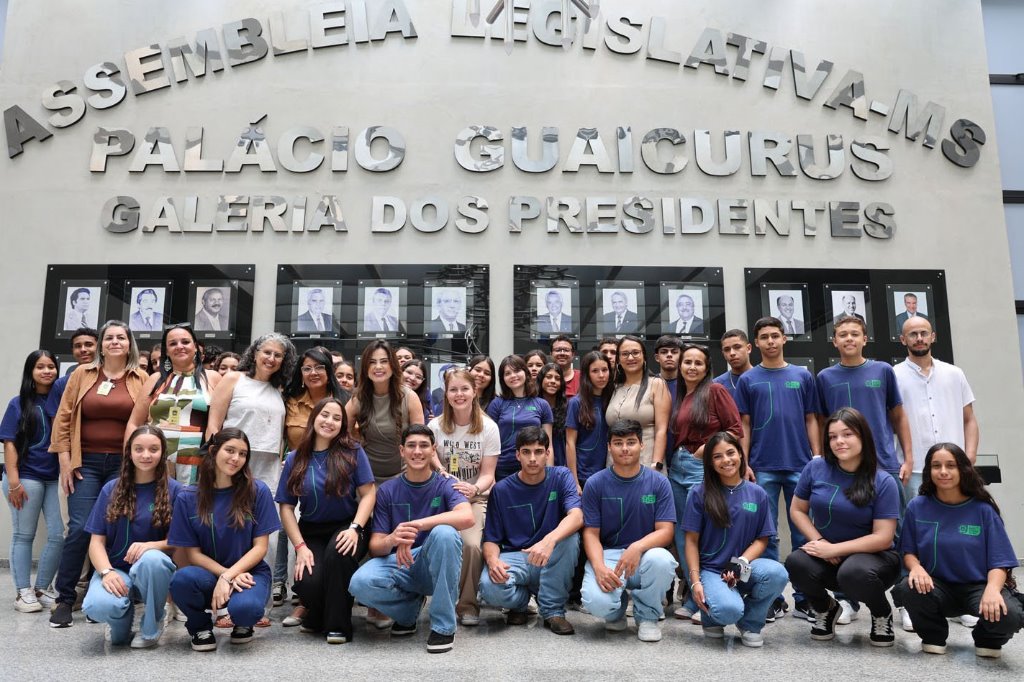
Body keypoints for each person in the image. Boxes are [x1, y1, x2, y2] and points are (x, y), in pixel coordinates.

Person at [49, 320, 148, 628]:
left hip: (123, 464)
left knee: (115, 528)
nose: (115, 342)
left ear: (129, 343)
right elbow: (64, 418)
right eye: (109, 338)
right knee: (79, 527)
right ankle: (64, 599)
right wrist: (65, 461)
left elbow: (146, 422)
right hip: (85, 463)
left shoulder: (141, 377)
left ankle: (101, 594)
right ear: (101, 344)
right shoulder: (81, 374)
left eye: (121, 337)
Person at [348, 425, 474, 654]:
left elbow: (467, 517)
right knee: (359, 583)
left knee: (445, 533)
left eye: (424, 445)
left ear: (433, 450)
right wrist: (393, 539)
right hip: (401, 563)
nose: (418, 451)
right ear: (402, 451)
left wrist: (418, 524)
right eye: (412, 446)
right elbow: (376, 547)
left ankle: (443, 626)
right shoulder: (387, 490)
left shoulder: (445, 484)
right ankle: (408, 611)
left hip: (434, 563)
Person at [785, 408, 901, 647]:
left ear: (862, 437)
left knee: (853, 572)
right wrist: (821, 542)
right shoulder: (815, 468)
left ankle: (881, 613)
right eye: (833, 436)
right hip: (830, 554)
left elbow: (884, 537)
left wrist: (836, 550)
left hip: (875, 559)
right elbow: (797, 510)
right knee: (796, 562)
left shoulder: (883, 481)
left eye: (847, 434)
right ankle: (825, 608)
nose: (839, 441)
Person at [897, 443, 1022, 658]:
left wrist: (993, 590)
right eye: (936, 466)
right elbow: (908, 551)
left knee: (1009, 614)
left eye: (950, 465)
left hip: (977, 587)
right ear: (929, 471)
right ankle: (933, 636)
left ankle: (987, 639)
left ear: (963, 469)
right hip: (936, 587)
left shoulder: (983, 510)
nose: (943, 471)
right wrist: (915, 567)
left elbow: (1000, 560)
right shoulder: (917, 506)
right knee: (908, 588)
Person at [734, 317, 820, 622]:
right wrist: (744, 462)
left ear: (784, 339)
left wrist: (817, 456)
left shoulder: (802, 376)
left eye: (775, 336)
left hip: (801, 465)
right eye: (764, 337)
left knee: (804, 535)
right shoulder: (748, 380)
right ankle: (772, 598)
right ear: (755, 344)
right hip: (762, 466)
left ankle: (805, 598)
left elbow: (812, 418)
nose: (770, 341)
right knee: (767, 536)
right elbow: (743, 424)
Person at [207, 332, 295, 625]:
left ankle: (260, 607)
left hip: (268, 468)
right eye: (266, 352)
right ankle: (222, 607)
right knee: (229, 534)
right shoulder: (233, 379)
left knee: (266, 539)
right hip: (233, 463)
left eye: (278, 355)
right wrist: (215, 465)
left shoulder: (279, 389)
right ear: (255, 352)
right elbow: (214, 425)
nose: (271, 358)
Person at [168, 429, 281, 650]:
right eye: (230, 450)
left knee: (246, 610)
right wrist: (224, 576)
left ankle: (243, 623)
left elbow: (261, 547)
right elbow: (193, 554)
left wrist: (229, 576)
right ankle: (200, 627)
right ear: (213, 450)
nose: (236, 458)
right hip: (208, 575)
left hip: (249, 574)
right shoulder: (188, 496)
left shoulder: (258, 491)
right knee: (181, 580)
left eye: (242, 454)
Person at [276, 398, 376, 644]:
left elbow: (369, 494)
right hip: (310, 531)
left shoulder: (353, 451)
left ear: (343, 425)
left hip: (348, 524)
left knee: (338, 554)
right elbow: (287, 508)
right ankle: (318, 614)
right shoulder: (295, 458)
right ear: (314, 418)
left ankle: (338, 626)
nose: (329, 422)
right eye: (325, 415)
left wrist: (355, 528)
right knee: (308, 580)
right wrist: (299, 547)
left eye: (337, 418)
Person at [682, 432, 788, 647]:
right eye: (717, 456)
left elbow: (762, 539)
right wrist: (695, 582)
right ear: (710, 463)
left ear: (740, 454)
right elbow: (691, 542)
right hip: (711, 570)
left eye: (731, 453)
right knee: (728, 610)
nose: (726, 460)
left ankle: (750, 622)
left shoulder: (757, 493)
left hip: (742, 566)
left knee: (777, 574)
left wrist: (741, 563)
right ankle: (713, 616)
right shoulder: (698, 493)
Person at [82, 425, 181, 648]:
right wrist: (106, 573)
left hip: (154, 574)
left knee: (152, 559)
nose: (146, 455)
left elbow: (182, 542)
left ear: (162, 453)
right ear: (129, 452)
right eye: (139, 449)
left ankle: (151, 624)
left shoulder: (176, 491)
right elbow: (96, 542)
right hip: (117, 571)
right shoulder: (111, 489)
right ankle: (120, 623)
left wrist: (151, 546)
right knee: (97, 606)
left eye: (153, 449)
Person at [580, 419, 677, 642]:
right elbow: (590, 534)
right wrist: (599, 567)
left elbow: (666, 531)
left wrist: (637, 546)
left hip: (646, 555)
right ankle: (615, 612)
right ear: (609, 447)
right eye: (618, 443)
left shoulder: (659, 483)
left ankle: (648, 616)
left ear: (642, 445)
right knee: (597, 603)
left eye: (631, 442)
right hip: (610, 555)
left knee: (662, 560)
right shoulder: (595, 483)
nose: (625, 448)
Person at [480, 426, 583, 634]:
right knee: (488, 587)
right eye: (526, 452)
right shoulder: (501, 490)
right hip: (516, 558)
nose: (533, 458)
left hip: (549, 557)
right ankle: (519, 604)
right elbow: (491, 538)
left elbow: (577, 516)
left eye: (538, 452)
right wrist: (493, 562)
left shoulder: (561, 476)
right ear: (518, 455)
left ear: (548, 453)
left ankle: (553, 611)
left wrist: (550, 540)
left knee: (570, 539)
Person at [668, 344, 742, 620]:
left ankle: (711, 596)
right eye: (687, 362)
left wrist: (705, 450)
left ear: (706, 367)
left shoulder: (715, 391)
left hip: (701, 467)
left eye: (698, 363)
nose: (692, 367)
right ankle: (693, 597)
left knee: (703, 533)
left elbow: (734, 429)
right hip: (676, 468)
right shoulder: (678, 394)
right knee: (681, 533)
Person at [278, 347, 348, 617]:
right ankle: (303, 599)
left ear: (329, 371)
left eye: (319, 367)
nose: (313, 373)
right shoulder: (291, 401)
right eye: (307, 368)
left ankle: (335, 595)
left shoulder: (344, 400)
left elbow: (352, 440)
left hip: (337, 478)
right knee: (294, 535)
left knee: (337, 549)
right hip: (299, 476)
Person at [427, 368, 499, 626]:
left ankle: (467, 603)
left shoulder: (488, 427)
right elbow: (428, 454)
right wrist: (441, 470)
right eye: (453, 389)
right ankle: (436, 598)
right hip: (443, 498)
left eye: (464, 389)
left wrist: (475, 489)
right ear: (446, 394)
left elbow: (489, 474)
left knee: (470, 545)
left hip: (475, 498)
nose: (459, 394)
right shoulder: (434, 426)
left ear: (474, 392)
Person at [2, 350, 63, 613]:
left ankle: (41, 588)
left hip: (54, 478)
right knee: (24, 535)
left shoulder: (62, 401)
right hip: (25, 476)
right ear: (31, 371)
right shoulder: (19, 403)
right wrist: (14, 481)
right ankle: (22, 592)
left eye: (51, 366)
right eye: (40, 367)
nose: (47, 371)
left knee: (60, 535)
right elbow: (9, 442)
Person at [894, 316, 979, 498]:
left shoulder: (954, 373)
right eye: (913, 334)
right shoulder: (893, 376)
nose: (919, 338)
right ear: (903, 340)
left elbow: (969, 419)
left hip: (954, 467)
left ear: (932, 336)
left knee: (956, 520)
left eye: (924, 333)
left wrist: (970, 456)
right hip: (914, 470)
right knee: (917, 524)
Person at [126, 323, 221, 486]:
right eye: (173, 343)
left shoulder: (213, 378)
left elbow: (218, 423)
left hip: (197, 460)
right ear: (167, 351)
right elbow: (134, 422)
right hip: (155, 458)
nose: (180, 347)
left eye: (185, 342)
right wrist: (128, 460)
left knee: (189, 507)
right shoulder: (155, 379)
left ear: (196, 347)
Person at [564, 351, 613, 607]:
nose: (601, 375)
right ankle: (574, 594)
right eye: (595, 371)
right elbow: (570, 443)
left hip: (608, 475)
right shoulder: (576, 402)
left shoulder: (613, 399)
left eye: (605, 370)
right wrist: (574, 480)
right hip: (583, 475)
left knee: (602, 533)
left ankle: (600, 585)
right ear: (586, 373)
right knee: (583, 534)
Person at [346, 340, 425, 487]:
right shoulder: (358, 399)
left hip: (404, 477)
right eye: (372, 362)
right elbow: (341, 431)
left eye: (384, 361)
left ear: (393, 365)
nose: (378, 367)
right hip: (366, 478)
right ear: (365, 367)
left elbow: (420, 441)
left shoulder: (409, 397)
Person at [605, 336, 670, 471]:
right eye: (625, 354)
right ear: (618, 359)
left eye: (635, 353)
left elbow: (661, 430)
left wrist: (656, 464)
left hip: (647, 461)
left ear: (644, 356)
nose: (630, 358)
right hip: (615, 463)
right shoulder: (614, 387)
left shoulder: (657, 384)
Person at [486, 355, 554, 481]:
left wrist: (549, 473)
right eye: (507, 373)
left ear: (525, 372)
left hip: (534, 466)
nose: (513, 375)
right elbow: (488, 442)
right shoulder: (496, 404)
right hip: (503, 467)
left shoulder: (542, 404)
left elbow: (548, 444)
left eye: (517, 371)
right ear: (503, 379)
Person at [46, 327, 97, 416]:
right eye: (78, 346)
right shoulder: (61, 384)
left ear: (99, 348)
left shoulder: (111, 378)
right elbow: (57, 423)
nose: (83, 349)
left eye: (89, 345)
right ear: (72, 351)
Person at [654, 335, 682, 466]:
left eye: (674, 352)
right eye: (664, 352)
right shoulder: (649, 385)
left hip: (684, 457)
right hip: (655, 454)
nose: (669, 355)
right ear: (657, 357)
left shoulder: (690, 384)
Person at [538, 362, 568, 467]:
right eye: (549, 377)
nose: (553, 381)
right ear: (541, 380)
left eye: (557, 378)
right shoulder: (533, 406)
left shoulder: (567, 407)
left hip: (562, 460)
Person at [713, 329, 753, 402]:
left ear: (749, 348)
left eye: (737, 347)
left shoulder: (764, 378)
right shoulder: (716, 385)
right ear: (723, 354)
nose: (732, 353)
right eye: (727, 349)